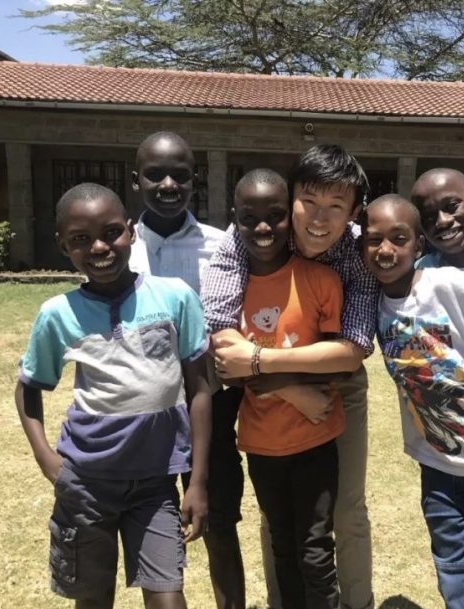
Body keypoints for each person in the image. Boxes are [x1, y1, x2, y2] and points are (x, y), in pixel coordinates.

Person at [15, 183, 212, 609]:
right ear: (62, 244)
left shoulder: (175, 297)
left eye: (111, 232)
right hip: (86, 483)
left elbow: (200, 389)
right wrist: (48, 460)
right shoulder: (57, 314)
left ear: (131, 232)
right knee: (92, 597)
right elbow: (28, 389)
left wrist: (196, 482)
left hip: (156, 482)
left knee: (167, 594)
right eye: (81, 239)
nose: (100, 247)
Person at [202, 145, 378, 609]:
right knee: (275, 516)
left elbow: (353, 349)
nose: (319, 219)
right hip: (261, 395)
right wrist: (282, 384)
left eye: (335, 207)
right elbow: (221, 334)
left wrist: (262, 365)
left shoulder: (357, 251)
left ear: (354, 211)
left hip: (336, 386)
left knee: (345, 511)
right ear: (291, 194)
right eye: (309, 202)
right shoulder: (249, 234)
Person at [361, 195, 464, 609]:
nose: (385, 250)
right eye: (374, 239)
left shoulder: (445, 284)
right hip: (437, 470)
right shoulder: (375, 304)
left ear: (419, 245)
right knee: (457, 574)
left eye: (398, 238)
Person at [128, 131, 246, 609]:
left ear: (195, 181)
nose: (169, 184)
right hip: (145, 411)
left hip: (212, 408)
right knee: (151, 530)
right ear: (136, 181)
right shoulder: (117, 246)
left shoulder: (222, 246)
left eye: (180, 173)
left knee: (218, 523)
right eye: (156, 174)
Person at [226, 168, 348, 609]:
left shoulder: (320, 281)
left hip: (315, 437)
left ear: (289, 218)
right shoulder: (229, 287)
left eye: (275, 215)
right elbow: (224, 362)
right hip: (261, 443)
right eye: (249, 216)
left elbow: (335, 362)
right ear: (233, 218)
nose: (263, 227)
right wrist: (285, 386)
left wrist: (262, 373)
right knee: (281, 543)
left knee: (315, 549)